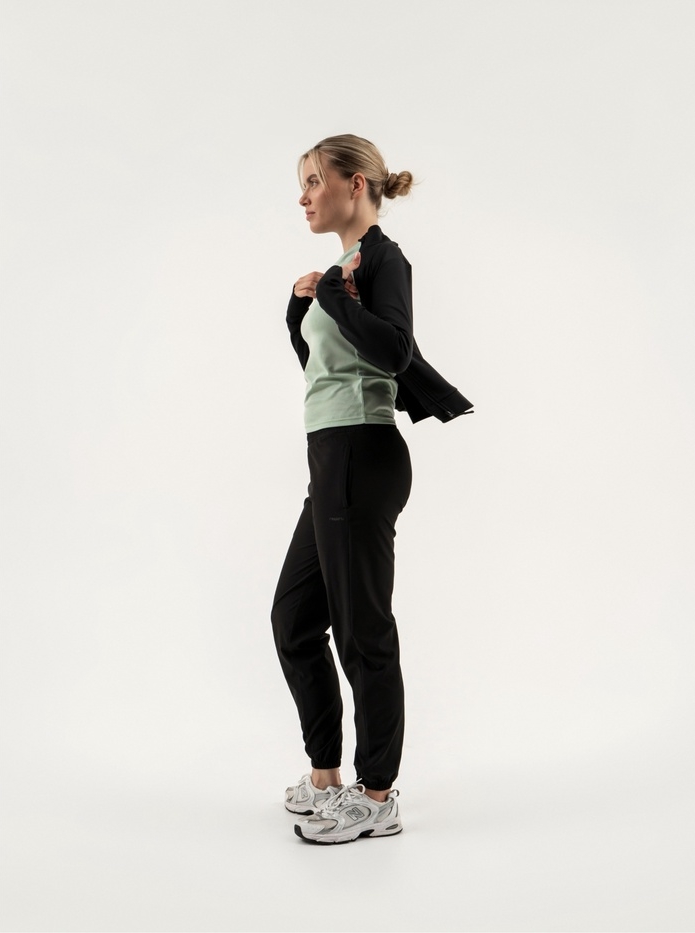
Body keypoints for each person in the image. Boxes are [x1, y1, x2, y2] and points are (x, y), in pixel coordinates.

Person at [271, 134, 472, 845]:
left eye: (314, 181)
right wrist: (300, 311)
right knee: (295, 620)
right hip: (331, 455)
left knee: (363, 631)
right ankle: (326, 778)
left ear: (355, 184)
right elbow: (325, 366)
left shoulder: (384, 260)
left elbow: (393, 350)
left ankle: (378, 794)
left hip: (363, 452)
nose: (303, 196)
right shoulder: (341, 269)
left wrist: (332, 295)